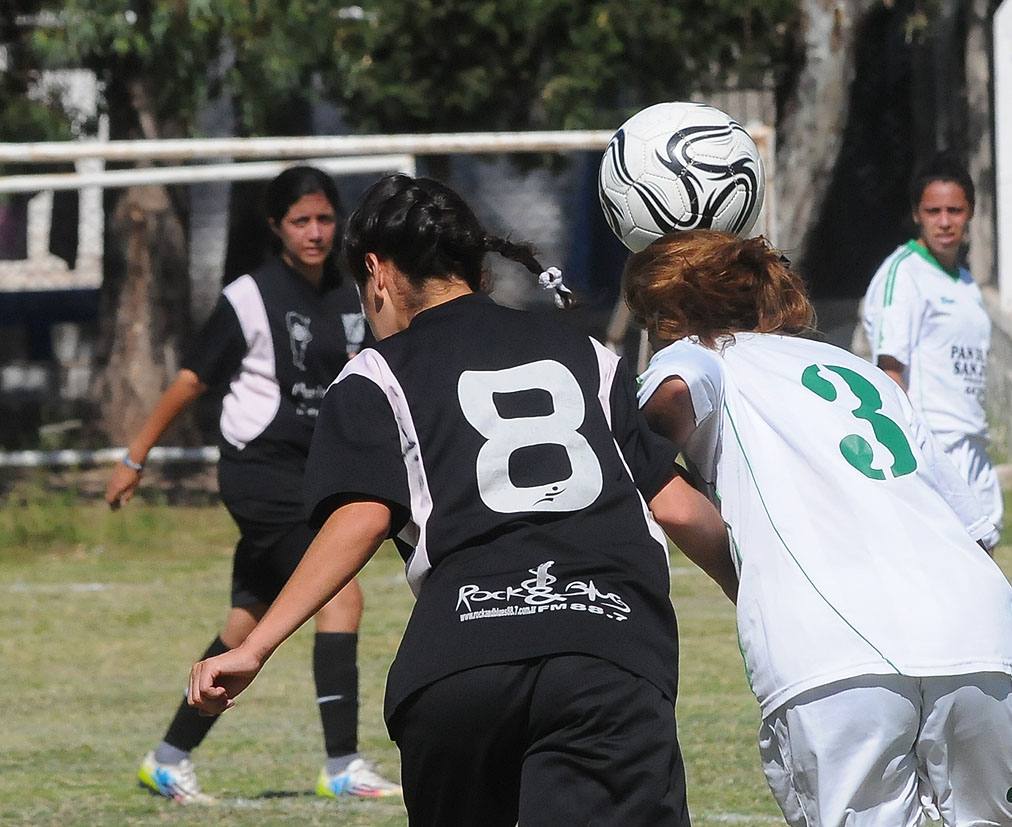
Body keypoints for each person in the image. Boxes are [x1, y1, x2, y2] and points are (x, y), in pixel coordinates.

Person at [186, 174, 732, 827]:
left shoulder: (374, 376)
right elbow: (675, 506)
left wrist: (255, 646)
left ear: (376, 273)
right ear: (478, 268)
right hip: (604, 650)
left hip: (458, 669)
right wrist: (760, 594)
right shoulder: (588, 355)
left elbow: (360, 517)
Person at [625, 229, 1012, 827]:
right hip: (976, 636)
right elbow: (973, 529)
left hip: (830, 653)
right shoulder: (859, 371)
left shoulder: (700, 352)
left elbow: (672, 400)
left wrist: (639, 450)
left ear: (672, 312)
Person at [105, 166, 400, 803]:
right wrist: (135, 458)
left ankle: (167, 757)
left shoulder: (354, 291)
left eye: (325, 219)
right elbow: (189, 381)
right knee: (340, 596)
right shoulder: (250, 295)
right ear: (276, 227)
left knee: (249, 619)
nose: (316, 233)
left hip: (314, 472)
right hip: (261, 472)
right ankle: (343, 765)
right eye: (301, 221)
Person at [861, 154, 1003, 530]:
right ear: (916, 214)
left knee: (987, 558)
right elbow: (890, 371)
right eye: (933, 210)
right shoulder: (904, 273)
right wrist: (908, 450)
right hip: (935, 444)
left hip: (971, 439)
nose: (944, 222)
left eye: (954, 210)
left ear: (970, 212)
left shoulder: (966, 282)